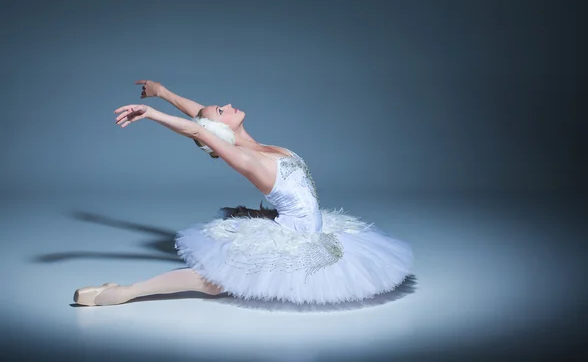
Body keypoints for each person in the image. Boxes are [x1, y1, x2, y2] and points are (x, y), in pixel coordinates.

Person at [74, 80, 414, 306]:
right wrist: (152, 114)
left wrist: (163, 92)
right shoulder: (246, 158)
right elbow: (199, 128)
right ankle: (123, 294)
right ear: (221, 131)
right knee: (216, 281)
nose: (227, 104)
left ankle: (122, 293)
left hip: (303, 226)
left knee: (225, 281)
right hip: (297, 234)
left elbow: (200, 118)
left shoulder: (249, 143)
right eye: (222, 110)